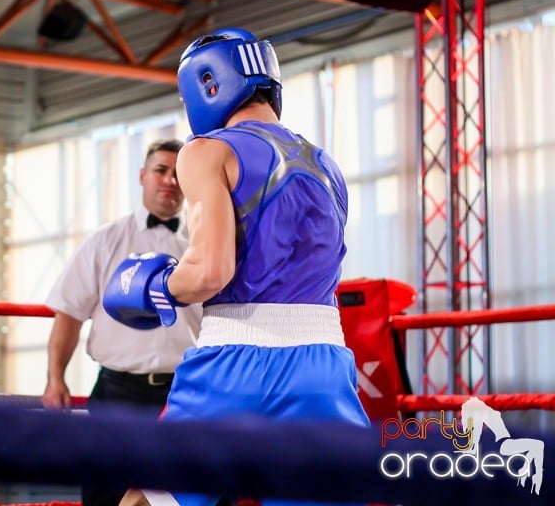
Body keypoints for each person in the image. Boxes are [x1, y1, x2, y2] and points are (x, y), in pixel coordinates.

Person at [103, 29, 370, 506]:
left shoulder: (208, 152)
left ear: (207, 85)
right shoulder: (328, 165)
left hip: (237, 359)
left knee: (148, 499)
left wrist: (157, 286)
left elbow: (209, 271)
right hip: (325, 364)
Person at [42, 138, 202, 506]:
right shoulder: (105, 240)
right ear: (142, 176)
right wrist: (55, 378)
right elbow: (69, 311)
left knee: (191, 495)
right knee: (106, 493)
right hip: (117, 393)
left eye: (178, 173)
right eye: (161, 170)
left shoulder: (203, 245)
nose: (170, 181)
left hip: (185, 393)